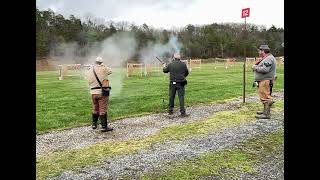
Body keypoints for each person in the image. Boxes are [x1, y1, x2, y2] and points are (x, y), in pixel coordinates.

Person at [86, 57, 113, 132]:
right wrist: (103, 65)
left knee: (95, 108)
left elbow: (87, 78)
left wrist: (91, 67)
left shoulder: (89, 69)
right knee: (103, 109)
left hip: (93, 92)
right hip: (102, 92)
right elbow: (110, 71)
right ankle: (104, 127)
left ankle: (94, 124)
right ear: (101, 63)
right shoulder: (104, 68)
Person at [252, 45, 277, 119]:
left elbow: (265, 69)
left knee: (265, 96)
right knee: (263, 95)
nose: (259, 52)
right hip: (264, 80)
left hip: (265, 80)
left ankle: (266, 114)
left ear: (263, 51)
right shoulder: (267, 58)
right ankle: (265, 111)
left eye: (260, 50)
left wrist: (255, 67)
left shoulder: (268, 59)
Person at [163, 53, 189, 117]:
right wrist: (183, 77)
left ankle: (170, 111)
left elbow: (165, 71)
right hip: (181, 83)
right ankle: (183, 113)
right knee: (181, 98)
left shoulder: (170, 64)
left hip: (173, 83)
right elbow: (186, 72)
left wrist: (164, 66)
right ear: (179, 58)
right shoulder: (183, 64)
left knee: (171, 97)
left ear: (174, 58)